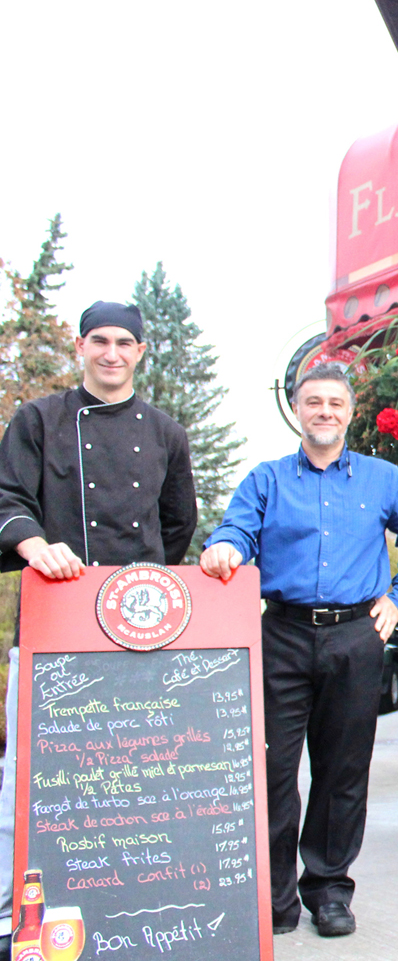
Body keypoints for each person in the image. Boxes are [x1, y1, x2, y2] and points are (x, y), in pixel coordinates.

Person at [200, 362, 398, 938]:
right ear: (296, 410)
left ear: (350, 412)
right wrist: (224, 550)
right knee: (275, 771)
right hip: (280, 636)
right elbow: (235, 530)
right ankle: (276, 898)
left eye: (335, 402)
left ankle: (329, 891)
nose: (324, 411)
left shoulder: (383, 479)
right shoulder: (267, 479)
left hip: (357, 638)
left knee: (341, 773)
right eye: (313, 402)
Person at [0, 301, 197, 960]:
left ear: (142, 351)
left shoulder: (167, 432)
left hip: (135, 631)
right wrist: (34, 545)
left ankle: (129, 910)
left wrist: (137, 589)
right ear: (80, 345)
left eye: (124, 343)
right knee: (26, 776)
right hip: (55, 614)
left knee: (135, 780)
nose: (112, 353)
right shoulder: (38, 420)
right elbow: (8, 500)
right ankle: (9, 915)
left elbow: (177, 526)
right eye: (100, 341)